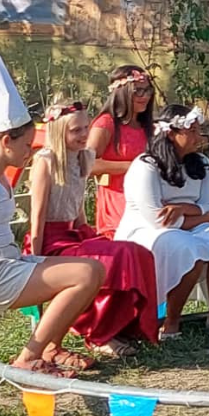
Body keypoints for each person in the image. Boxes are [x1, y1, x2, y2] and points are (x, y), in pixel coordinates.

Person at [0, 54, 105, 378]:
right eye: (27, 145)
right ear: (6, 142)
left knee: (94, 269)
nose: (30, 152)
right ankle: (29, 358)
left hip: (6, 262)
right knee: (86, 275)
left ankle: (50, 347)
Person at [24, 100, 160, 357]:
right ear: (59, 132)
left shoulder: (83, 157)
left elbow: (76, 210)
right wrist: (35, 259)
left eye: (86, 127)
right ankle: (98, 334)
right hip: (50, 241)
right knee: (111, 259)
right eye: (76, 130)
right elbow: (37, 217)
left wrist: (89, 234)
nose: (85, 134)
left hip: (73, 234)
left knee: (136, 252)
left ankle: (125, 326)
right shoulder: (46, 161)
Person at [114, 104, 209, 340]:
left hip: (189, 224)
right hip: (145, 231)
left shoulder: (201, 163)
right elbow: (158, 219)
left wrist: (185, 209)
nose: (199, 137)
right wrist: (205, 216)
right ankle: (171, 320)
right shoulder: (145, 166)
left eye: (199, 131)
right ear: (171, 134)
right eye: (192, 131)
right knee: (187, 249)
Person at [86, 65, 155, 237]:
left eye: (147, 90)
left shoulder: (148, 126)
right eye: (137, 91)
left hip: (149, 196)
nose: (145, 96)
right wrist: (134, 166)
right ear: (121, 92)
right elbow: (87, 164)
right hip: (118, 202)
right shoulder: (106, 123)